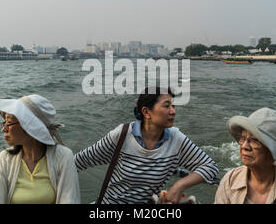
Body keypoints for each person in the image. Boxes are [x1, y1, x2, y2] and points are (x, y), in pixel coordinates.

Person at [75, 87, 219, 204]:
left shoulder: (177, 139)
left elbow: (210, 167)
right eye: (166, 106)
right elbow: (79, 162)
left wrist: (178, 186)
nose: (173, 111)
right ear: (146, 112)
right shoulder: (123, 135)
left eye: (173, 106)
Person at [0, 94, 80, 204]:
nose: (4, 128)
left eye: (9, 122)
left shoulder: (64, 157)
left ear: (29, 127)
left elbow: (69, 200)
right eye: (4, 122)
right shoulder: (4, 159)